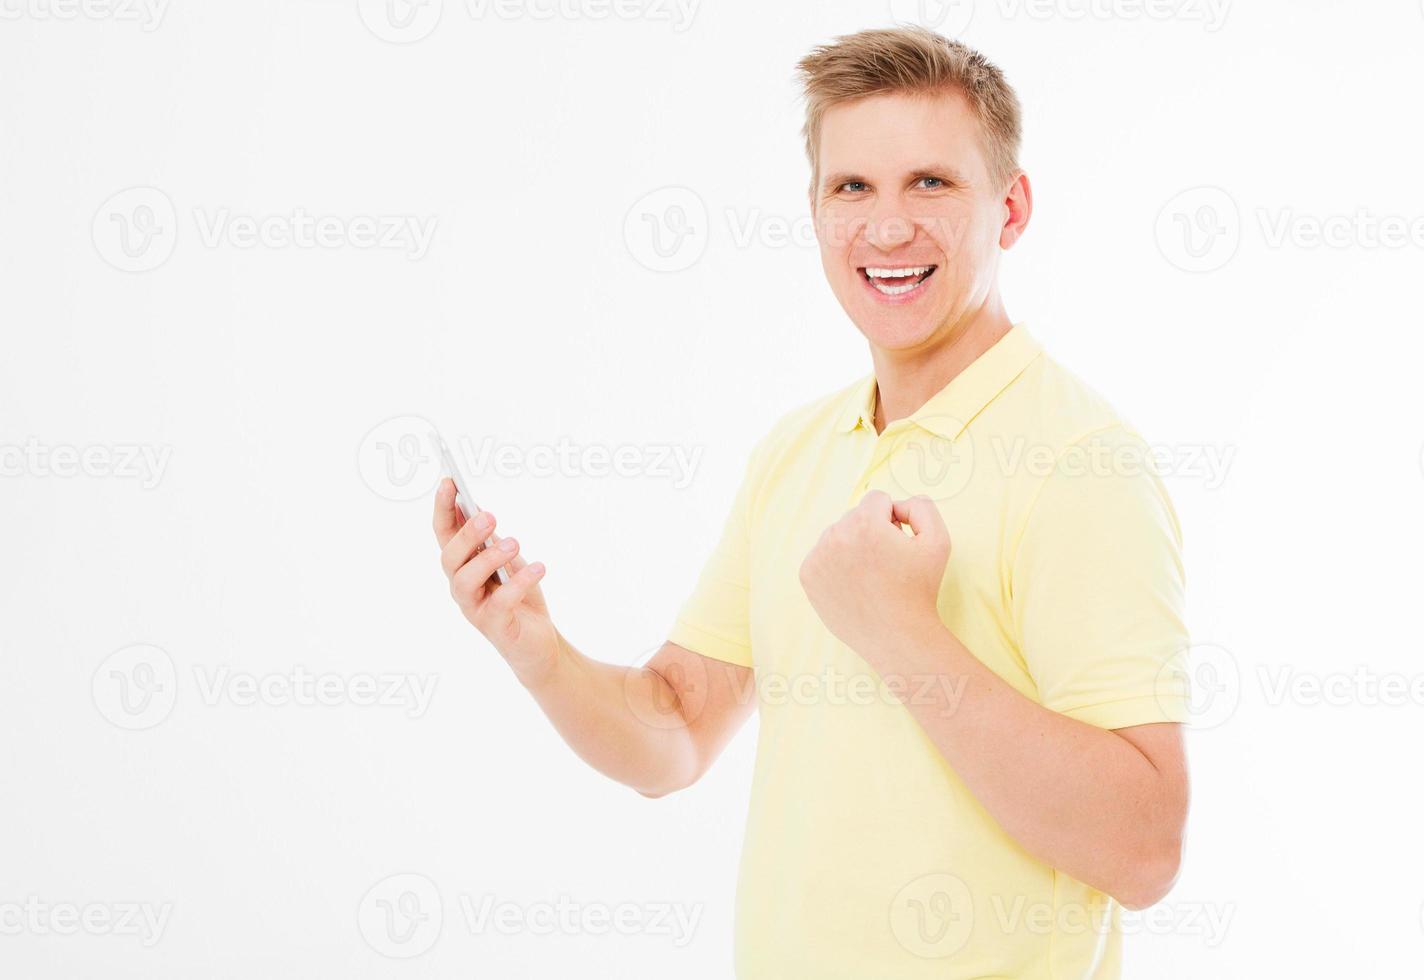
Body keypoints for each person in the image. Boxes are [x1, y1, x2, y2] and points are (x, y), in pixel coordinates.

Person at [432, 25, 1192, 979]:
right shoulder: (795, 451)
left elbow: (1145, 849)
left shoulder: (1084, 462)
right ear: (816, 210)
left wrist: (899, 631)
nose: (885, 228)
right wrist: (535, 648)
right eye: (852, 188)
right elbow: (673, 730)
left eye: (931, 183)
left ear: (1012, 206)